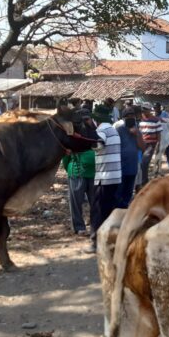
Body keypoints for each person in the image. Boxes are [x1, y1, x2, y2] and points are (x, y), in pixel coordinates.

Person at [87, 105, 122, 253]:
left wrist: (87, 138)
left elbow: (98, 144)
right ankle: (110, 241)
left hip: (104, 177)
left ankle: (95, 242)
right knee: (109, 210)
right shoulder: (113, 130)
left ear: (97, 120)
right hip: (115, 176)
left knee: (97, 210)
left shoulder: (101, 131)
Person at [62, 110, 98, 236]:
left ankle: (95, 225)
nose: (85, 122)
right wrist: (70, 170)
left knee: (95, 201)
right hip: (77, 172)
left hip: (93, 174)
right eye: (83, 119)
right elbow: (65, 156)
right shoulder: (72, 136)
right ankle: (79, 226)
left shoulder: (94, 134)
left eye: (87, 119)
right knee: (76, 202)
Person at [115, 107, 145, 208]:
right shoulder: (119, 130)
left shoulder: (137, 130)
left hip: (132, 168)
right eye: (127, 117)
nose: (130, 118)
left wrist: (137, 135)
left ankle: (124, 211)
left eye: (132, 116)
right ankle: (118, 212)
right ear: (123, 119)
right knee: (119, 193)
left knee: (128, 193)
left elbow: (142, 147)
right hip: (121, 168)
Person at [139, 102, 162, 186]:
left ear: (149, 110)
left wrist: (158, 145)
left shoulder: (156, 120)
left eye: (145, 109)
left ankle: (144, 182)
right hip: (140, 144)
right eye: (143, 109)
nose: (144, 111)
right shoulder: (139, 119)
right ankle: (141, 180)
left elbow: (159, 133)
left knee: (144, 162)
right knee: (140, 163)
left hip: (151, 144)